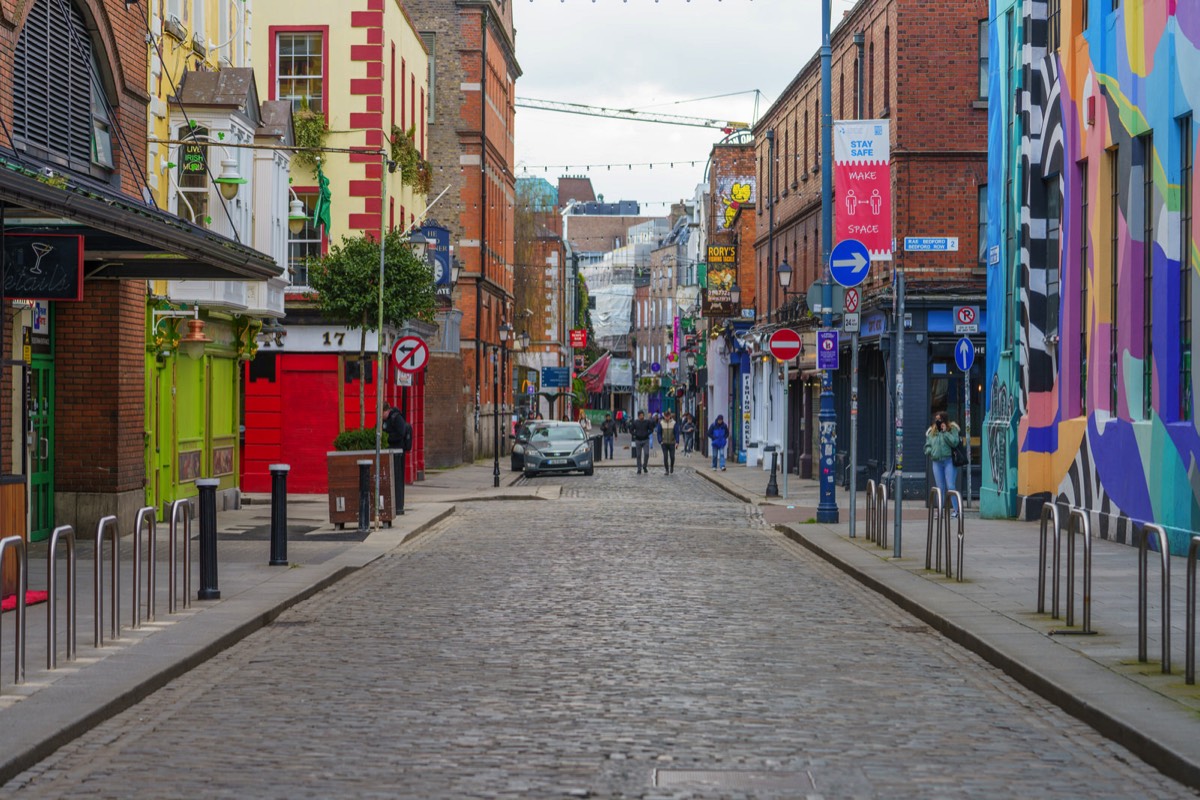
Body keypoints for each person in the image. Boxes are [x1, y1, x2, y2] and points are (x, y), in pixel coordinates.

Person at [925, 411, 962, 517]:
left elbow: (954, 442)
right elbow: (927, 445)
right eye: (936, 419)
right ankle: (940, 511)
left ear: (945, 420)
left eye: (940, 419)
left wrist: (945, 432)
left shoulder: (952, 429)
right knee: (940, 487)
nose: (937, 421)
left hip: (949, 461)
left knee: (950, 485)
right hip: (937, 462)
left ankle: (956, 511)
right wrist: (930, 452)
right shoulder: (932, 431)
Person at [629, 410, 656, 475]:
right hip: (638, 440)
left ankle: (644, 466)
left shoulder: (647, 422)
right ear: (638, 416)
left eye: (642, 415)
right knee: (638, 455)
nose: (642, 416)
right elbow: (631, 430)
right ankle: (639, 468)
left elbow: (651, 429)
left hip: (645, 440)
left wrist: (647, 434)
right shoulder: (635, 422)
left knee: (646, 454)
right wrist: (635, 434)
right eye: (640, 415)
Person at [656, 410, 678, 475]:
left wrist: (677, 442)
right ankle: (667, 470)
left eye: (668, 416)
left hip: (672, 442)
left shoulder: (674, 423)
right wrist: (660, 441)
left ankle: (671, 466)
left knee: (672, 456)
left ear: (670, 416)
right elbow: (659, 433)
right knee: (665, 457)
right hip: (664, 443)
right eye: (666, 416)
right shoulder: (661, 423)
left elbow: (676, 433)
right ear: (664, 416)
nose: (667, 417)